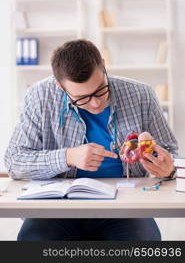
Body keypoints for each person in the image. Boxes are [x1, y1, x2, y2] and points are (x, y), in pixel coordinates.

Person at [4, 39, 178, 241]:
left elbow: (171, 155)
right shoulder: (39, 96)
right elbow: (14, 161)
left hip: (124, 205)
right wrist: (68, 157)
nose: (95, 103)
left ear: (103, 65)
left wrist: (166, 167)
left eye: (100, 90)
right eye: (82, 98)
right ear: (59, 86)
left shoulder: (141, 95)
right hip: (57, 207)